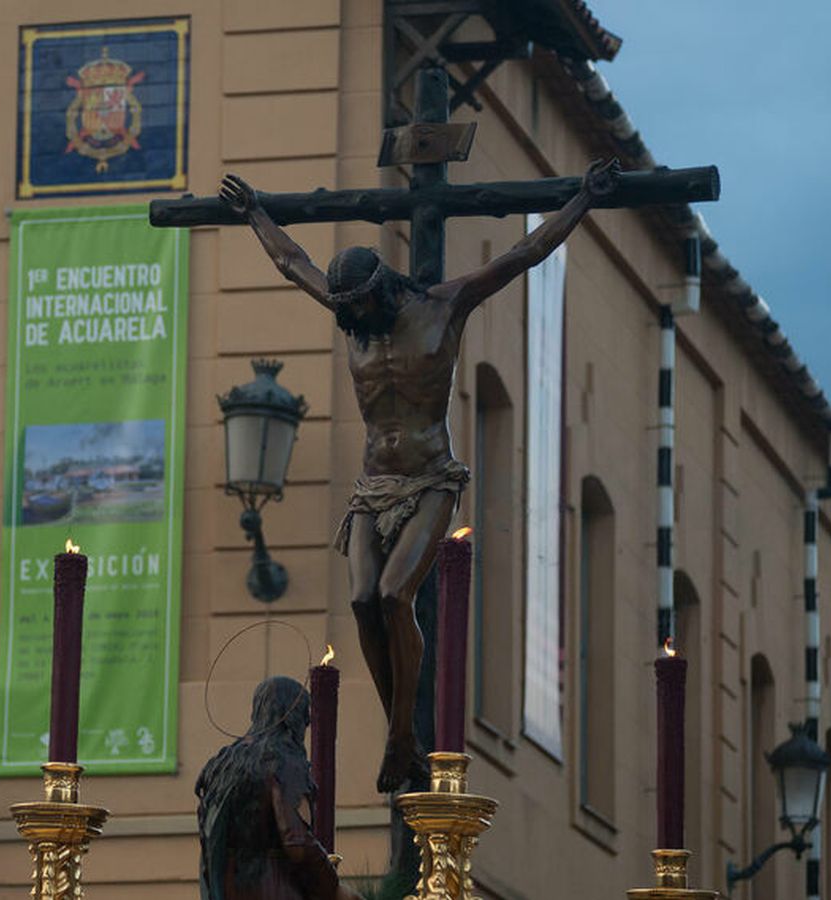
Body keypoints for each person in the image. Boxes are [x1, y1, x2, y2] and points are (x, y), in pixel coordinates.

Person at [219, 158, 620, 792]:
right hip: (372, 484)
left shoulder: (443, 306)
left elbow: (523, 254)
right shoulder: (354, 314)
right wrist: (255, 215)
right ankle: (399, 733)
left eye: (360, 308)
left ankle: (402, 735)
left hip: (432, 480)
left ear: (382, 288)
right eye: (344, 312)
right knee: (358, 600)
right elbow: (292, 263)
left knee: (392, 596)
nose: (353, 321)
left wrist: (580, 200)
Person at [195, 676, 362, 900]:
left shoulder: (222, 764)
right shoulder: (283, 760)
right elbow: (297, 841)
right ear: (293, 719)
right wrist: (332, 887)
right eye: (305, 719)